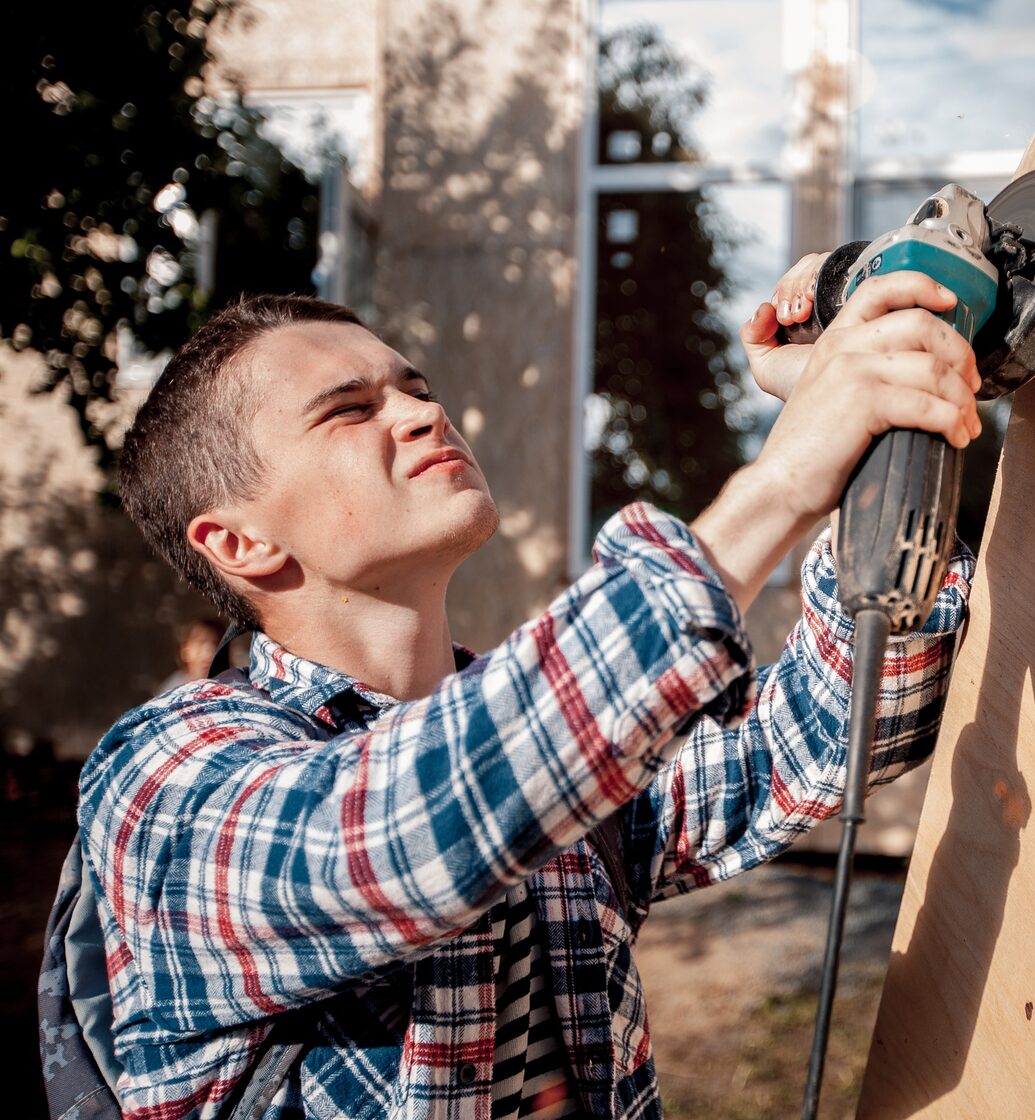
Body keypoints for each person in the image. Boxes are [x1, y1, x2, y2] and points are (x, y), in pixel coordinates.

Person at [70, 261, 982, 1119]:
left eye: (415, 388)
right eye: (349, 411)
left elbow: (830, 730)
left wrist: (891, 426)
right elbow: (404, 839)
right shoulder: (161, 782)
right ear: (239, 544)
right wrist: (783, 479)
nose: (423, 415)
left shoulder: (554, 757)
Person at [156, 616, 224, 693]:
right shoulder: (170, 692)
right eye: (200, 642)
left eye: (216, 643)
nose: (209, 652)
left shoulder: (235, 685)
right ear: (184, 651)